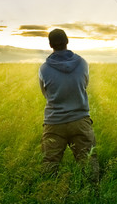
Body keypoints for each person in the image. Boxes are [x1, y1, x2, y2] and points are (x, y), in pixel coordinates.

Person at [38, 28, 99, 179]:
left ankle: (49, 194)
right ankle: (92, 196)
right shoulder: (83, 63)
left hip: (54, 122)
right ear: (67, 41)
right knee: (88, 163)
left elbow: (45, 94)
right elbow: (84, 85)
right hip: (80, 120)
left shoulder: (44, 69)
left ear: (50, 44)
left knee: (49, 165)